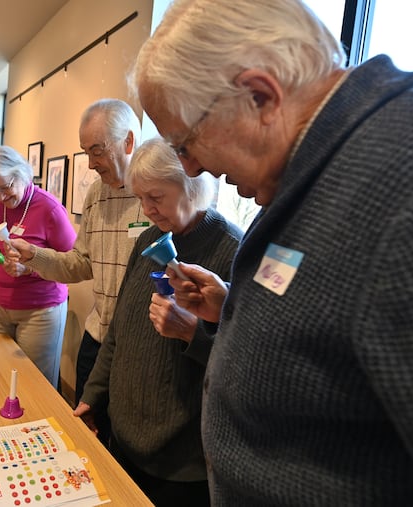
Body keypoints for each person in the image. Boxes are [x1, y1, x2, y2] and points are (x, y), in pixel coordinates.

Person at [130, 0, 413, 504]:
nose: (190, 170)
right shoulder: (315, 173)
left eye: (185, 144)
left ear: (260, 96)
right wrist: (232, 309)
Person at [73, 138, 242, 506]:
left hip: (181, 463)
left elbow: (246, 367)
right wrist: (92, 396)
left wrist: (192, 335)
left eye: (156, 197)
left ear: (191, 186)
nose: (147, 209)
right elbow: (117, 331)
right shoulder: (150, 240)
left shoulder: (233, 251)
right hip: (124, 437)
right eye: (141, 198)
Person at [7, 99, 144, 443]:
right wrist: (33, 255)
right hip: (97, 338)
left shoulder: (156, 193)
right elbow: (80, 263)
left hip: (138, 347)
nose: (90, 163)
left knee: (125, 444)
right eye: (85, 151)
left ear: (129, 142)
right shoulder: (96, 195)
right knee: (88, 431)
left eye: (97, 150)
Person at [0, 146, 76, 389]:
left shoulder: (49, 209)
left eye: (5, 187)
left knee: (33, 385)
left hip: (40, 311)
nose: (0, 197)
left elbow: (72, 265)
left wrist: (29, 269)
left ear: (22, 173)